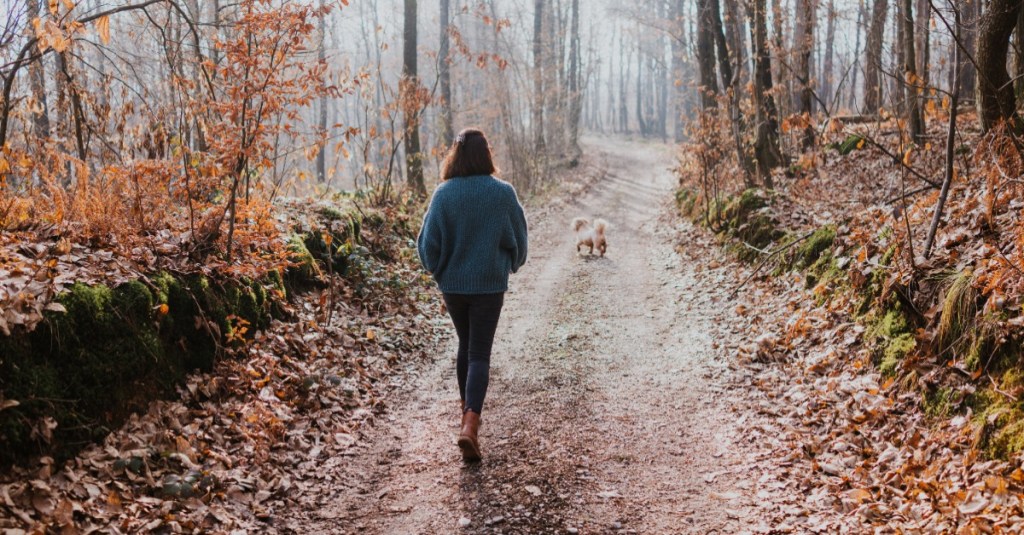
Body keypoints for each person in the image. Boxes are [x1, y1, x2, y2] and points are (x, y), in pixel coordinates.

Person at [416, 128, 528, 462]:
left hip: (453, 286)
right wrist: (513, 262)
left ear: (456, 155)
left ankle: (467, 416)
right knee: (479, 352)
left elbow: (427, 245)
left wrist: (436, 269)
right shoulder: (502, 193)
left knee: (465, 346)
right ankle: (470, 424)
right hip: (489, 285)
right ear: (487, 155)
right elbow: (519, 239)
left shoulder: (443, 194)